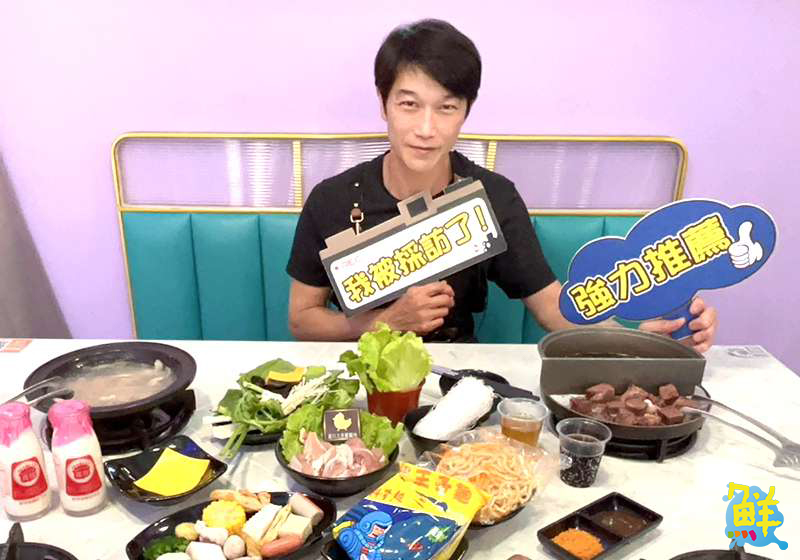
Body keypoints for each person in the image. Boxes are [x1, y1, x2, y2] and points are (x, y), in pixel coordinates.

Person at [287, 19, 717, 351]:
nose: (426, 128)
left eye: (446, 108)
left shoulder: (490, 196)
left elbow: (551, 306)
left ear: (466, 111)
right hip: (359, 371)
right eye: (409, 105)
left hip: (454, 375)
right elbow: (303, 319)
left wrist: (638, 341)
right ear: (383, 103)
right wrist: (385, 322)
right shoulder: (332, 199)